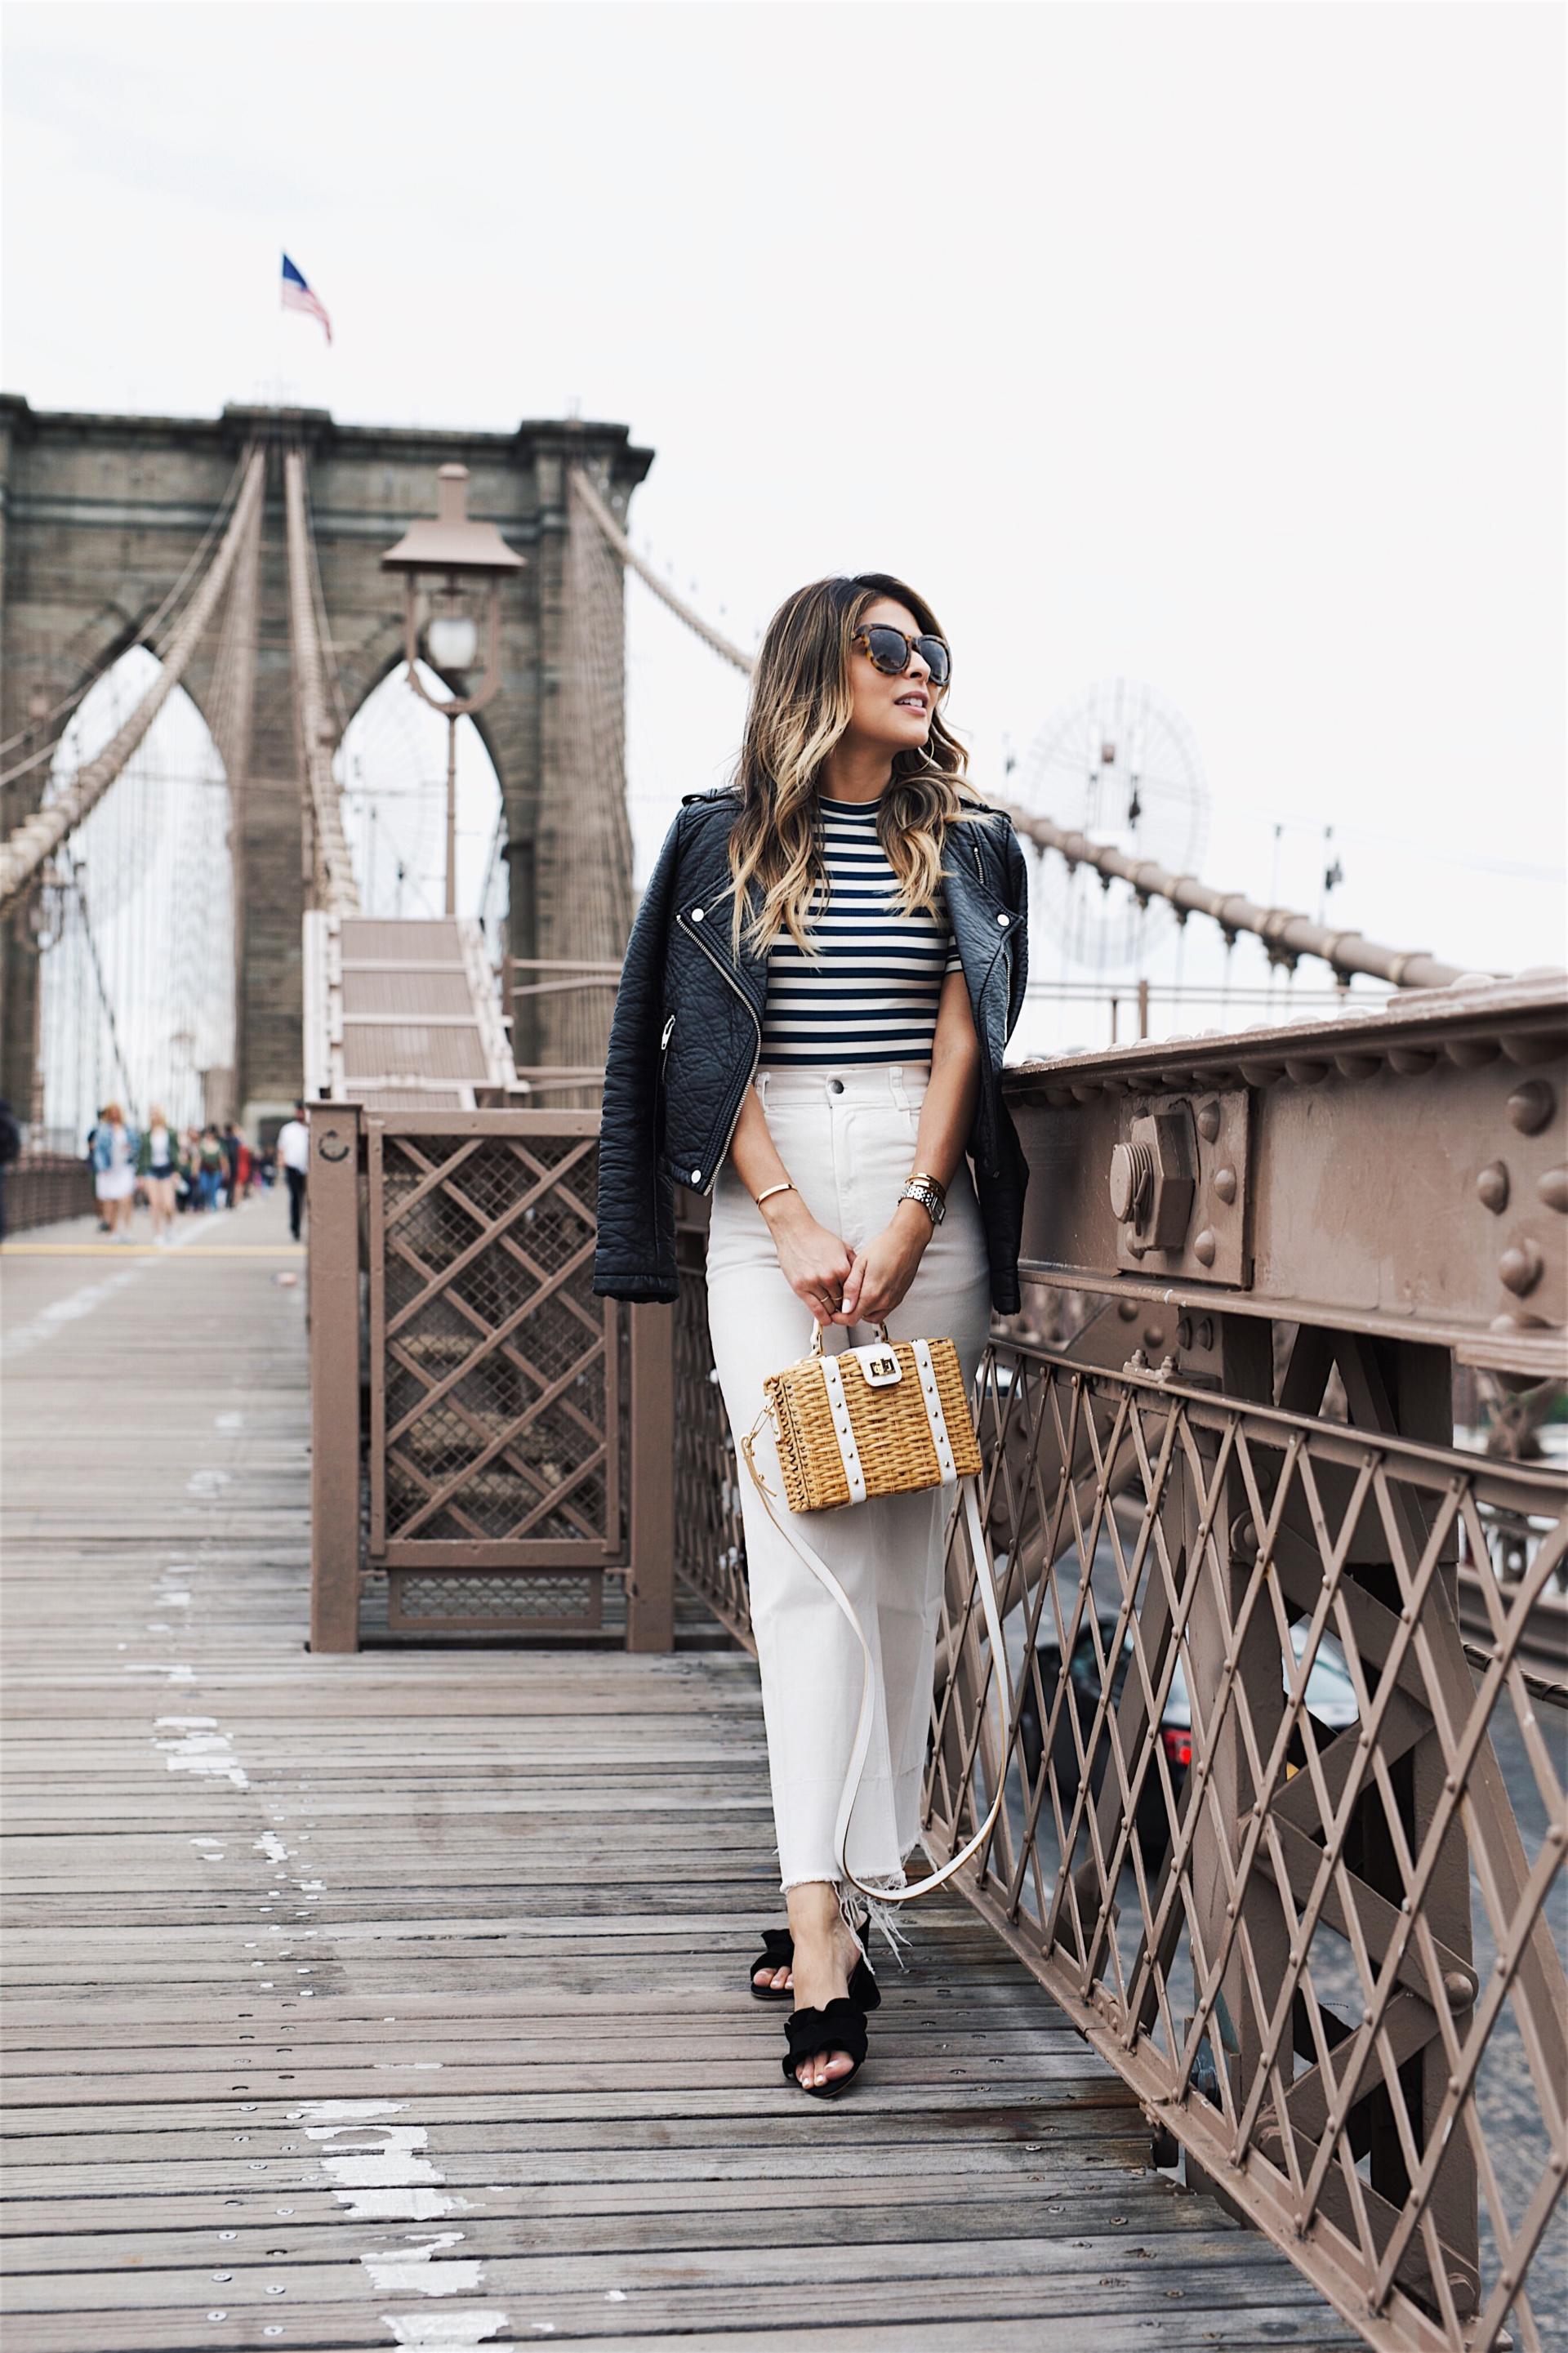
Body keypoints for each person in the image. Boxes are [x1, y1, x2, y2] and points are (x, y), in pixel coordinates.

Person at [593, 575, 1029, 2097]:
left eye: (934, 653)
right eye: (887, 647)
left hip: (926, 1201)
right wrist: (784, 1218)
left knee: (903, 1560)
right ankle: (819, 1927)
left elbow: (969, 1026)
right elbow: (696, 1041)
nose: (920, 671)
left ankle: (859, 1868)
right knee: (802, 1566)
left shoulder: (972, 842)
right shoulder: (718, 838)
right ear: (816, 667)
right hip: (771, 1199)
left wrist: (913, 1210)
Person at [91, 1102, 140, 1239]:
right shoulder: (103, 1129)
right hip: (110, 1168)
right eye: (112, 1111)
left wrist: (130, 1150)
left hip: (125, 1167)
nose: (114, 1114)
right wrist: (101, 1167)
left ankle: (127, 1229)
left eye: (117, 1111)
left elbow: (136, 1146)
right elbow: (99, 1151)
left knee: (126, 1199)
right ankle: (114, 1231)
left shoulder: (128, 1129)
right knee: (111, 1201)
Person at [136, 1105, 179, 1245]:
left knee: (168, 1204)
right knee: (155, 1203)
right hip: (151, 1170)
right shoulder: (146, 1135)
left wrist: (176, 1171)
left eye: (155, 1113)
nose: (153, 1116)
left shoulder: (170, 1133)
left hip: (167, 1169)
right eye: (151, 1114)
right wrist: (140, 1175)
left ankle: (169, 1227)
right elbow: (142, 1155)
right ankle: (158, 1233)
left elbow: (175, 1153)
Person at [276, 1101, 310, 1240]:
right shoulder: (288, 1129)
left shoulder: (310, 1129)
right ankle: (295, 1227)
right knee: (295, 1197)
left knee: (307, 1199)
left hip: (308, 1168)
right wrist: (281, 1163)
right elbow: (281, 1148)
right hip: (292, 1167)